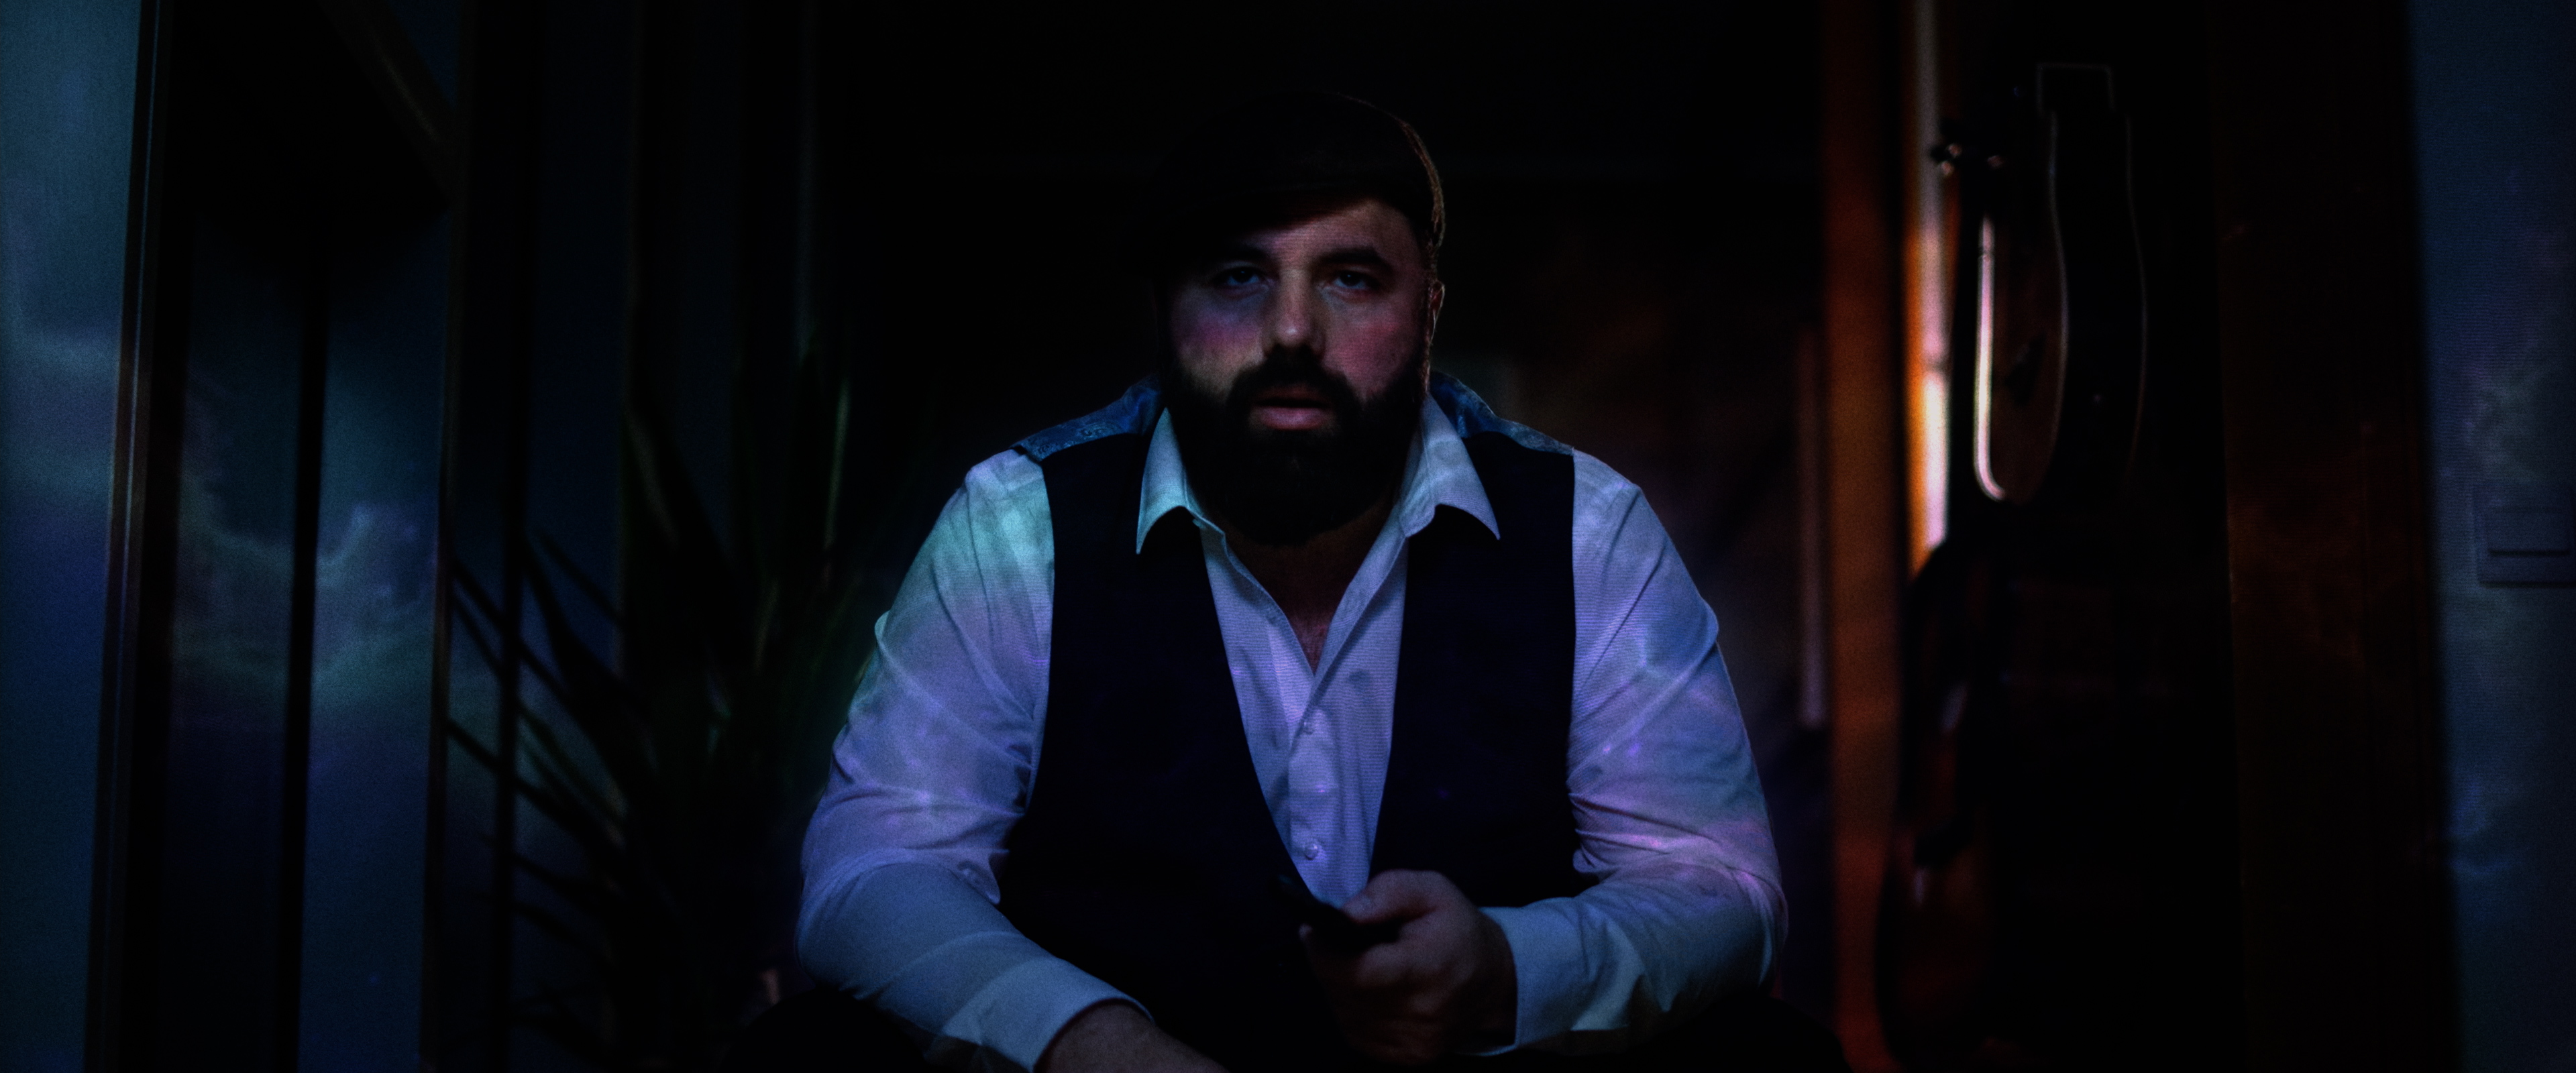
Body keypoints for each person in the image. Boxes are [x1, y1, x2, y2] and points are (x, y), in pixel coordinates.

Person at [758, 94, 1844, 1073]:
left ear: (1430, 311)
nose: (1291, 331)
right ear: (1164, 311)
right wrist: (1088, 1042)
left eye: (1351, 279)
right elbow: (876, 873)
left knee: (1766, 1058)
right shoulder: (1015, 528)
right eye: (1238, 276)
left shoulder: (1586, 530)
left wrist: (1509, 970)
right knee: (811, 1055)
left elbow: (1719, 890)